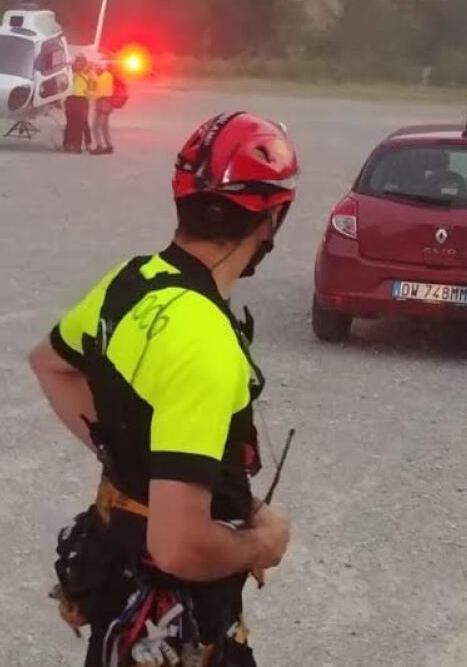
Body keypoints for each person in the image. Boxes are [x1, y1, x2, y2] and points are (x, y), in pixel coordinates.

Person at [30, 112, 299, 666]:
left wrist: (129, 459)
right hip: (174, 626)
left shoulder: (128, 282)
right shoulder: (206, 342)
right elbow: (177, 546)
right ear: (270, 219)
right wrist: (262, 543)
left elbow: (51, 365)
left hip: (119, 596)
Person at [63, 56, 93, 154]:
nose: (78, 64)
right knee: (70, 123)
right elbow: (63, 84)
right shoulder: (70, 74)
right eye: (77, 62)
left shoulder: (88, 74)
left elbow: (93, 87)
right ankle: (67, 144)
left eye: (81, 63)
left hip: (81, 100)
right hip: (71, 99)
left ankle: (77, 145)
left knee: (79, 124)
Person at [90, 62, 115, 155]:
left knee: (96, 126)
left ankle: (100, 146)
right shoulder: (107, 75)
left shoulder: (104, 77)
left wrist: (89, 95)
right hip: (106, 102)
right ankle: (109, 145)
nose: (95, 69)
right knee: (104, 126)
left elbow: (99, 90)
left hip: (103, 102)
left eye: (97, 67)